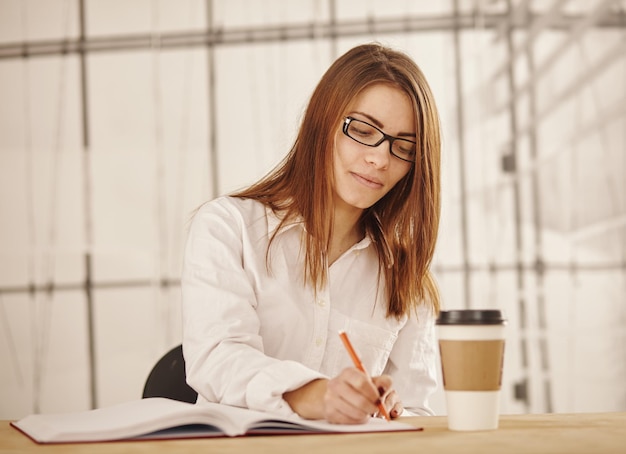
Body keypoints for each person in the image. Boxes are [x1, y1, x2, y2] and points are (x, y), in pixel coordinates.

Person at [181, 42, 442, 425]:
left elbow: (417, 411)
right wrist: (317, 395)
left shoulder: (406, 277)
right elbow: (217, 359)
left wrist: (390, 410)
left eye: (404, 146)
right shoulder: (228, 227)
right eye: (365, 130)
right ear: (323, 122)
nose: (380, 158)